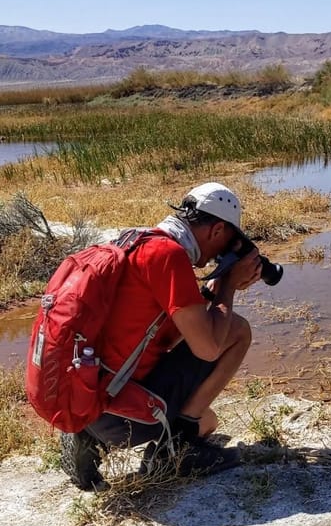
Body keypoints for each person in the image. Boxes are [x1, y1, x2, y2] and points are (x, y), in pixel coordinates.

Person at [60, 182, 262, 490]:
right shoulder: (170, 257)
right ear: (217, 229)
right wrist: (229, 286)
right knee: (236, 332)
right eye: (227, 244)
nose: (218, 257)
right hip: (122, 413)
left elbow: (163, 335)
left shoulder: (137, 241)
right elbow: (208, 349)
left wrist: (212, 292)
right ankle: (176, 449)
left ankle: (87, 438)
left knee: (210, 421)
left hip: (86, 394)